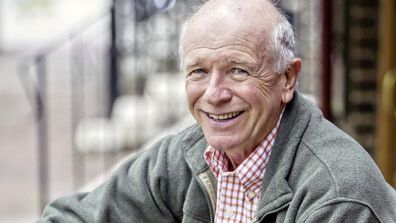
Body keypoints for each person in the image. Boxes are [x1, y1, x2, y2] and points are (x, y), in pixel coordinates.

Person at [38, 0, 396, 222]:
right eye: (199, 71)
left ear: (288, 79)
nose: (214, 94)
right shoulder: (187, 156)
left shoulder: (339, 193)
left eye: (238, 70)